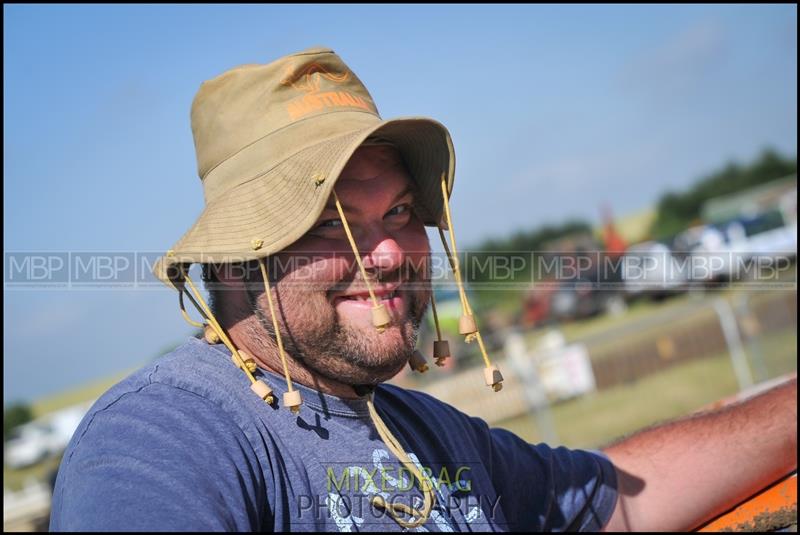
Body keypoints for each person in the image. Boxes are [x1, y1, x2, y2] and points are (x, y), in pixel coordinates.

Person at [49, 46, 796, 532]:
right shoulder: (163, 436)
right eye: (329, 220)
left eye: (399, 211)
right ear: (235, 260)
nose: (385, 251)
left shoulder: (425, 432)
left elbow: (620, 501)